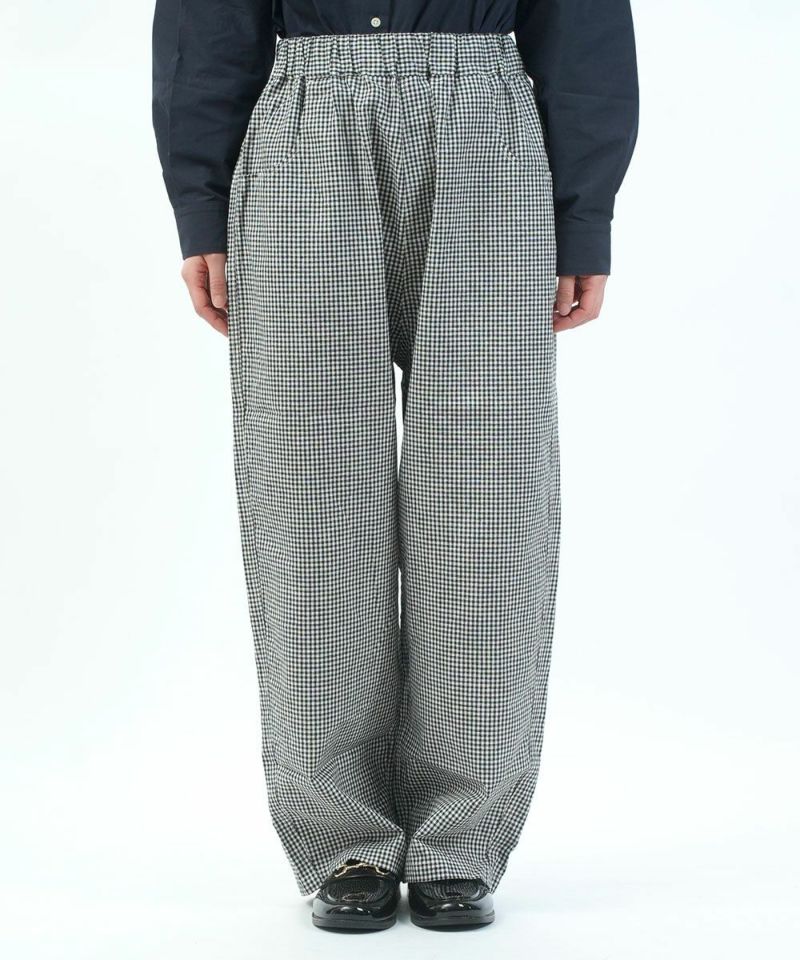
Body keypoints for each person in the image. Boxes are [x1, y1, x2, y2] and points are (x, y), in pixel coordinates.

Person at [152, 0, 638, 932]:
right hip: (304, 132)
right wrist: (200, 206)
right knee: (309, 488)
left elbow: (583, 28)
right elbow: (205, 26)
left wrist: (585, 217)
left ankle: (463, 838)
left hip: (489, 131)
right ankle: (344, 839)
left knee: (488, 493)